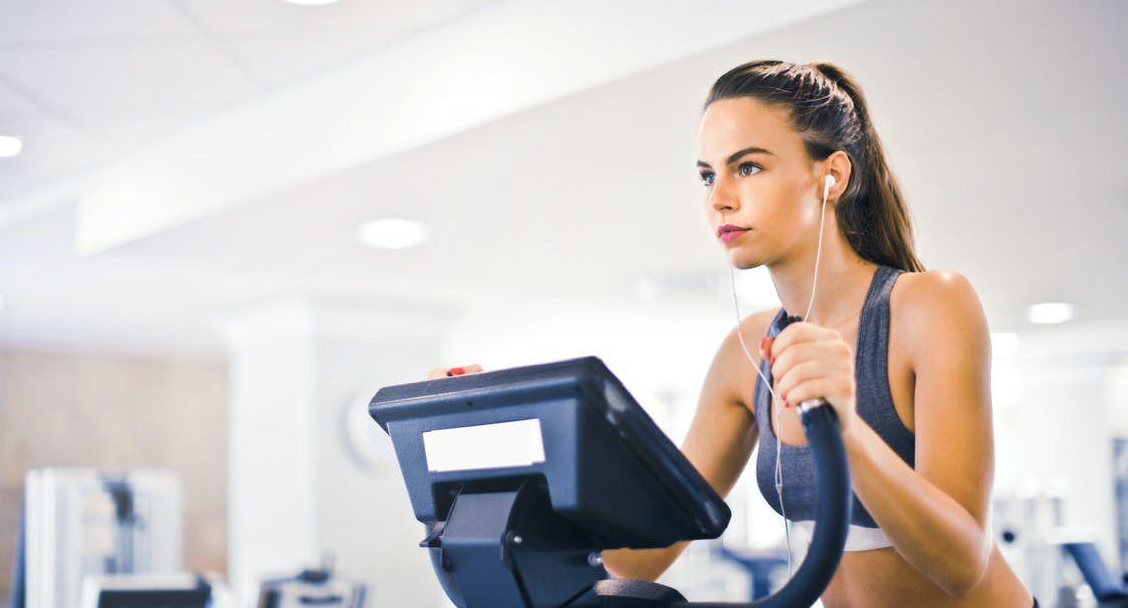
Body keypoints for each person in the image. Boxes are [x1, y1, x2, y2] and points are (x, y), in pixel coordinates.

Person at [432, 60, 1035, 608]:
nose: (719, 199)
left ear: (832, 176)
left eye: (748, 166)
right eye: (706, 175)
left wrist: (844, 428)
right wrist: (485, 462)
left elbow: (961, 564)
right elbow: (644, 553)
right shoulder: (746, 353)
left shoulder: (928, 305)